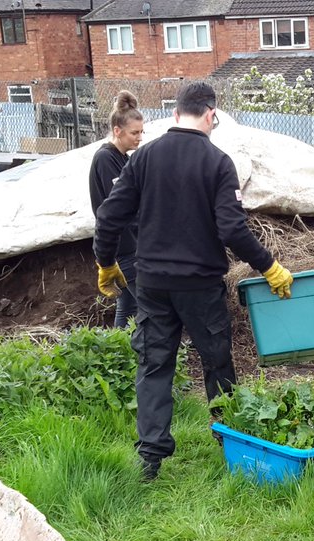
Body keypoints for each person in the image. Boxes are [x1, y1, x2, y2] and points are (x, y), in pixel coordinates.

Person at [94, 81, 294, 481]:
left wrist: (105, 262)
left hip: (151, 284)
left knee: (154, 365)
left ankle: (149, 458)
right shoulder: (218, 162)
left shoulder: (143, 157)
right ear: (210, 115)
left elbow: (108, 216)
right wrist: (269, 266)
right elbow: (233, 231)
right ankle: (229, 444)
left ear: (174, 114)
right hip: (200, 285)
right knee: (216, 361)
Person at [90, 90, 145, 328]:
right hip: (123, 247)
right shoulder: (105, 159)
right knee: (147, 304)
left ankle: (118, 348)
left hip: (129, 244)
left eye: (142, 132)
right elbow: (119, 207)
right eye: (134, 133)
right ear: (117, 131)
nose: (139, 138)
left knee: (128, 304)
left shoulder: (124, 159)